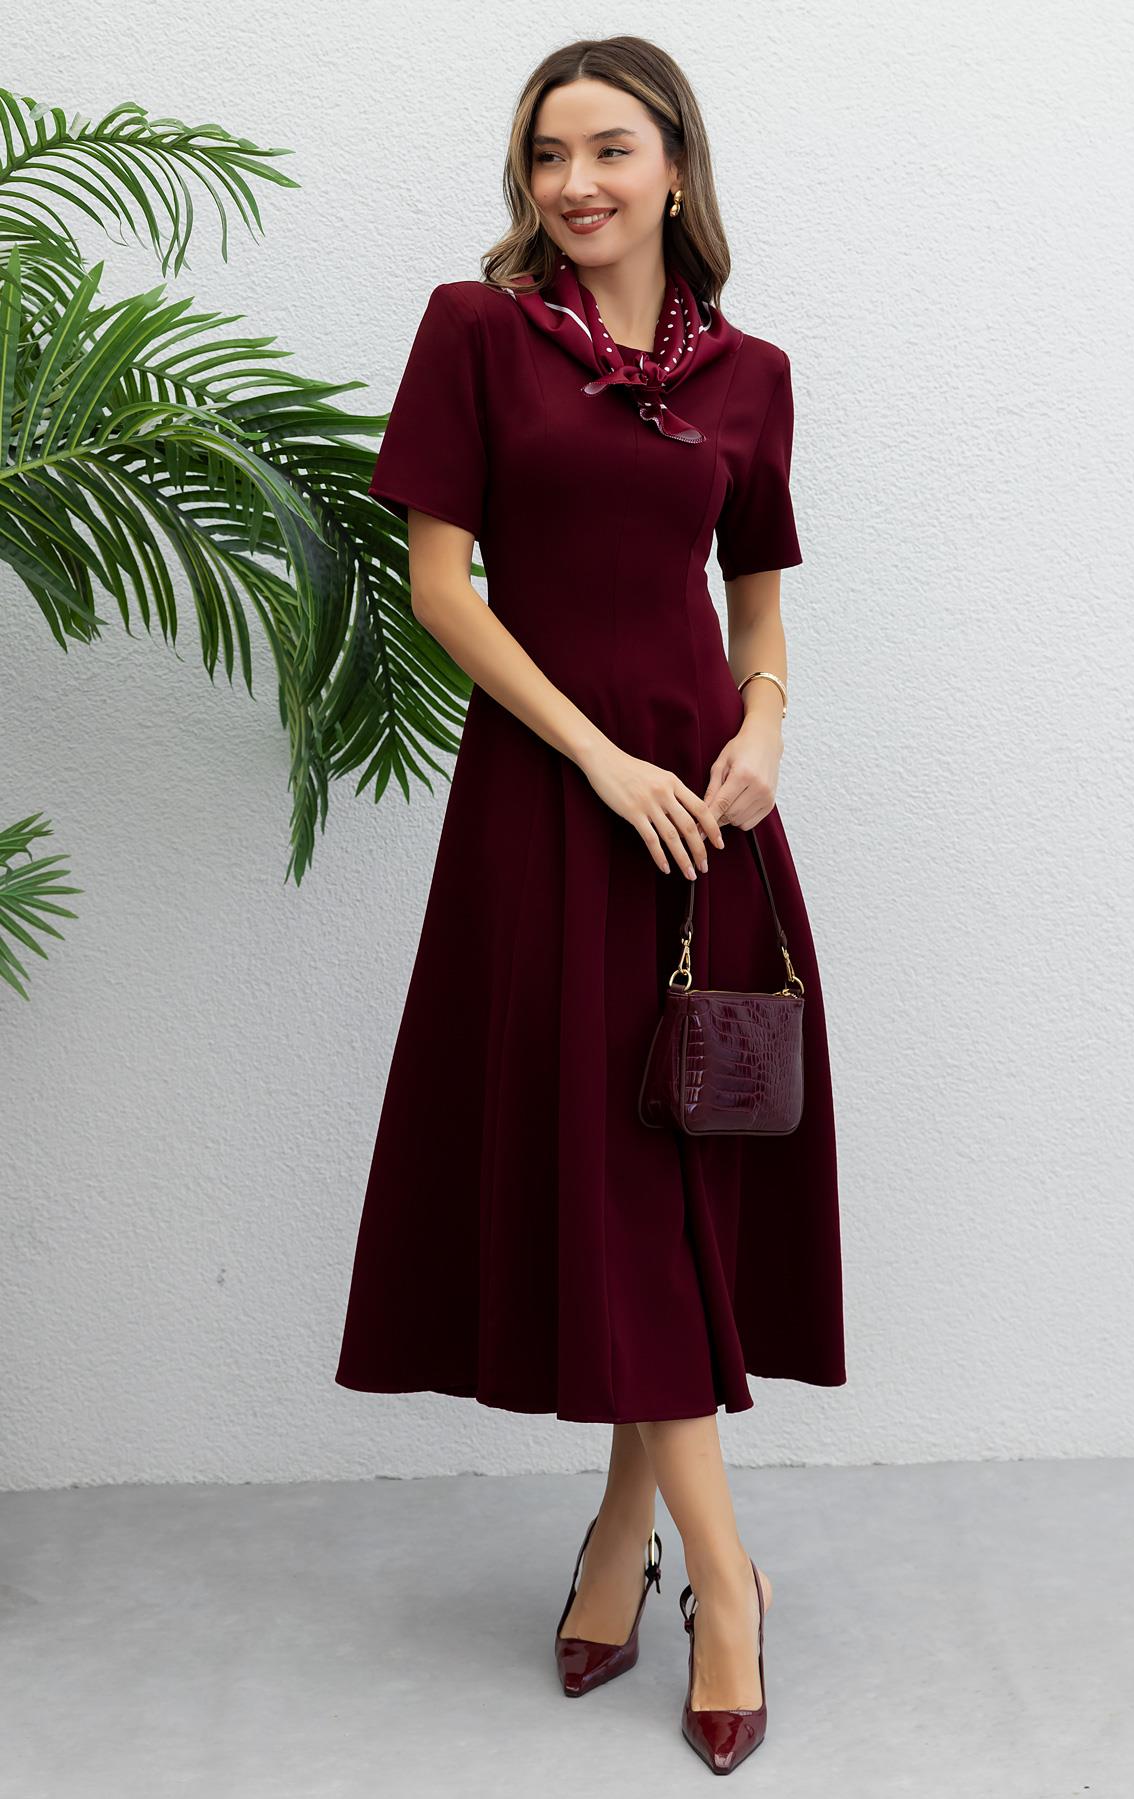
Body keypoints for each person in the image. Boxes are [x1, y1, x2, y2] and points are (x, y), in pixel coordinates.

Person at [335, 34, 846, 1776]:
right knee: (615, 1190)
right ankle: (729, 1579)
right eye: (547, 154)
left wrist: (760, 733)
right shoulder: (477, 334)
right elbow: (443, 590)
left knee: (669, 1189)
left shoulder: (753, 378)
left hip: (709, 824)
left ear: (675, 165)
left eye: (610, 149)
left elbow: (756, 609)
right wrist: (599, 761)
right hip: (552, 808)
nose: (574, 183)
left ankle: (621, 1541)